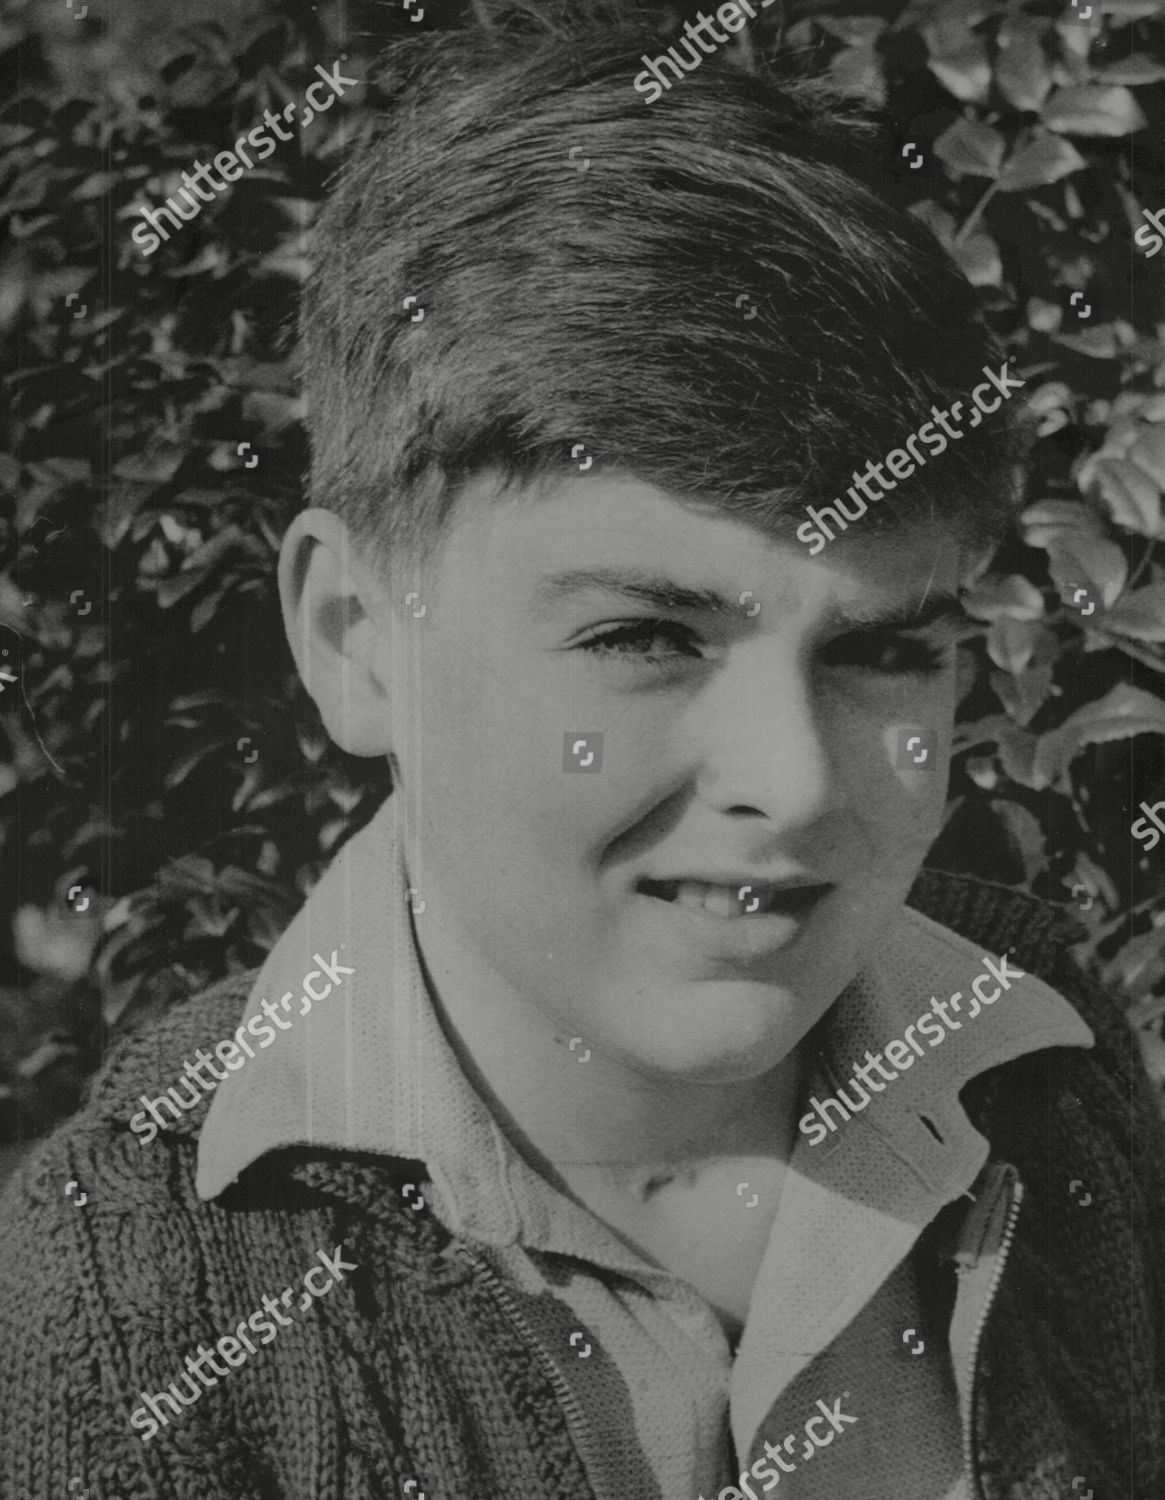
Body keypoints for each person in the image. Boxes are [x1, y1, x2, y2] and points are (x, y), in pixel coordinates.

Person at [2, 5, 1163, 1498]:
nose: (795, 782)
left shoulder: (1037, 1054)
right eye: (644, 638)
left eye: (883, 649)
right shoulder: (125, 1312)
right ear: (357, 638)